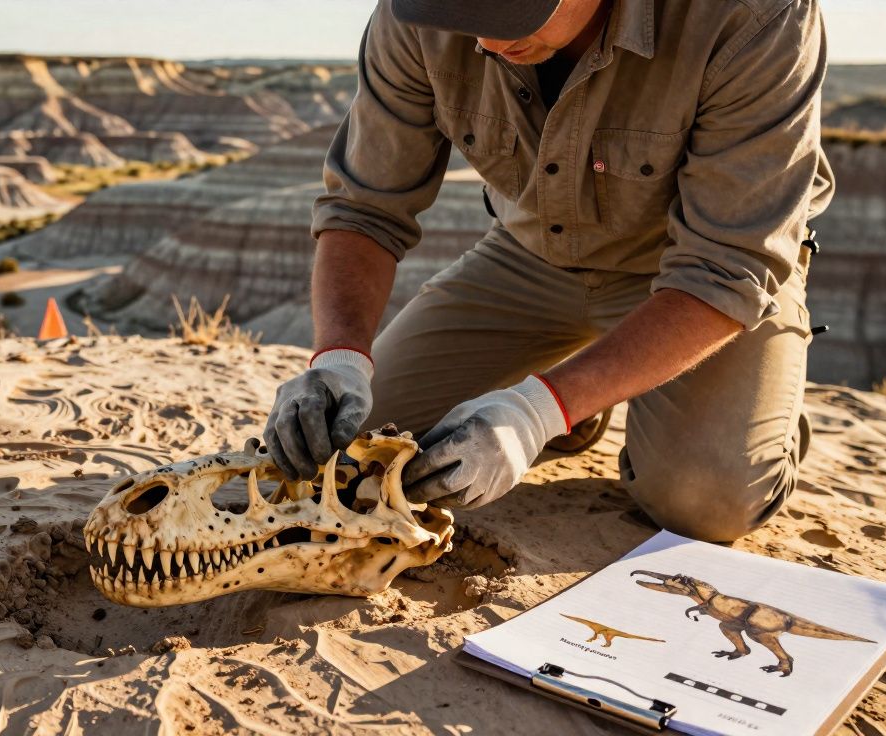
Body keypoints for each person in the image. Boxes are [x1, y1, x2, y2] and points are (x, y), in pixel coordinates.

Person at [264, 0, 832, 543]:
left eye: (515, 10)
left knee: (704, 499)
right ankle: (583, 395)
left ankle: (760, 418)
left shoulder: (755, 16)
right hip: (529, 256)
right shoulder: (417, 13)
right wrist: (339, 357)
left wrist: (538, 411)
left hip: (692, 277)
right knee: (353, 447)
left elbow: (725, 266)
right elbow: (364, 207)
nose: (487, 42)